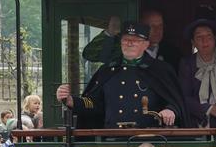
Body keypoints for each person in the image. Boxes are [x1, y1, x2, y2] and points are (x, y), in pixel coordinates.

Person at [55, 21, 189, 129]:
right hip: (112, 142)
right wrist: (72, 101)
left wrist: (171, 110)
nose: (129, 43)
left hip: (150, 141)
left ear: (146, 44)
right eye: (126, 39)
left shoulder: (160, 70)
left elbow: (176, 102)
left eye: (135, 40)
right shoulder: (108, 70)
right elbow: (94, 103)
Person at [178, 19, 216, 128]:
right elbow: (183, 97)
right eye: (199, 37)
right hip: (198, 123)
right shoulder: (187, 64)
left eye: (209, 36)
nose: (205, 41)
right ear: (193, 42)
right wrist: (209, 109)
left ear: (215, 39)